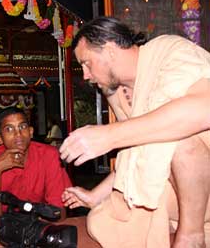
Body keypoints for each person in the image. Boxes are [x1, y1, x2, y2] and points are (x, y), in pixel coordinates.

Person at [60, 17, 210, 247]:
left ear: (110, 49)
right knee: (102, 221)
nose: (86, 75)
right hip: (172, 187)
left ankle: (192, 235)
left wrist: (110, 135)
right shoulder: (117, 93)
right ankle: (170, 220)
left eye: (87, 63)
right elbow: (134, 152)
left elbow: (204, 108)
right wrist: (94, 196)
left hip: (202, 179)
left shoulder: (170, 50)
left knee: (180, 140)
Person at [0, 106, 72, 230]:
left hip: (39, 223)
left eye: (22, 127)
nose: (18, 134)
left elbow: (59, 213)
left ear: (31, 132)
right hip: (3, 226)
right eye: (9, 129)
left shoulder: (48, 155)